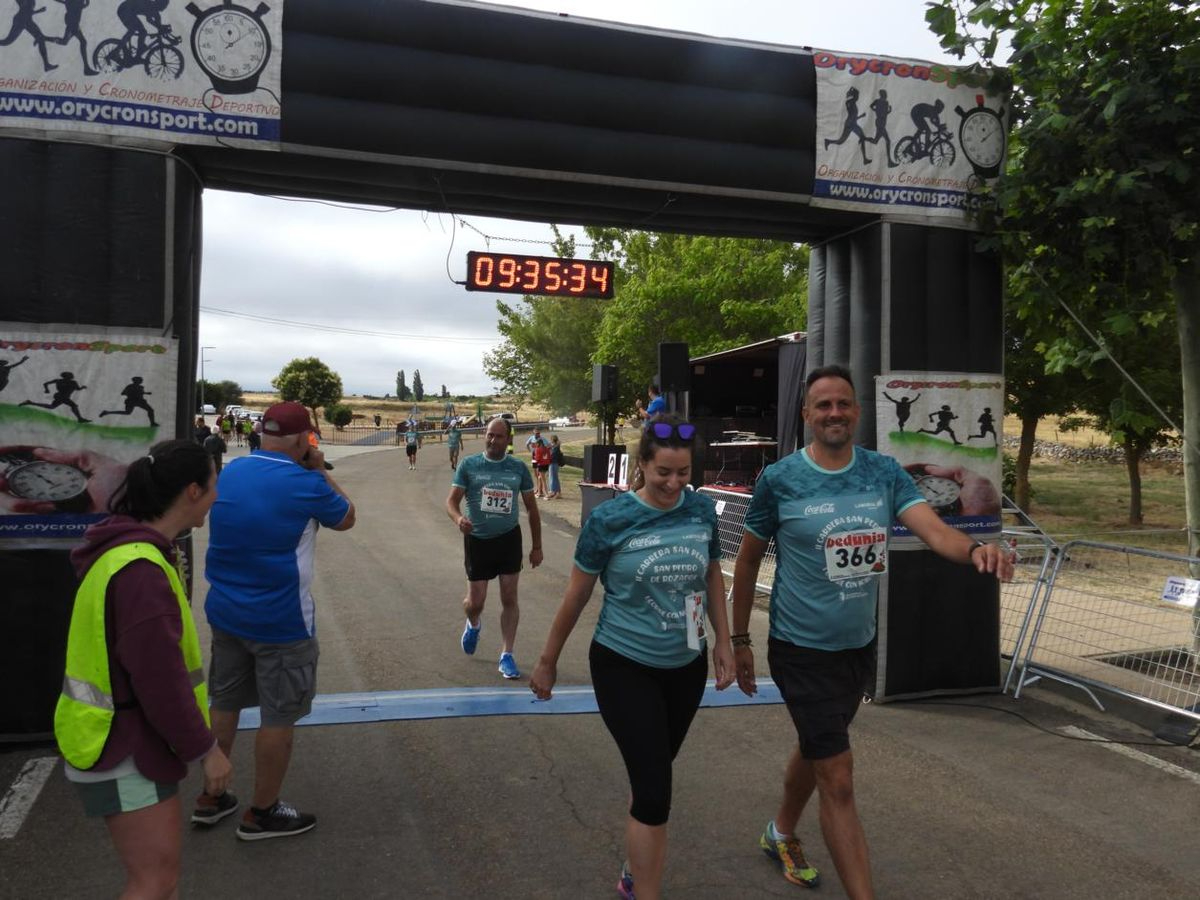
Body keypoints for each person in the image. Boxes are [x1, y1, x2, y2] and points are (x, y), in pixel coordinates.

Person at [729, 365, 1013, 898]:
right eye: (823, 405)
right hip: (799, 647)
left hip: (858, 644)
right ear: (807, 414)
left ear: (858, 412)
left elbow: (935, 532)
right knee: (837, 777)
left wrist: (977, 550)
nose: (834, 412)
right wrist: (739, 640)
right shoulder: (781, 479)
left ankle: (780, 831)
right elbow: (746, 563)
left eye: (843, 403)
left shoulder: (883, 472)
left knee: (819, 745)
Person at [531, 416, 735, 900]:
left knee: (652, 776)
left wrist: (725, 641)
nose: (674, 483)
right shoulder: (610, 519)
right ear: (641, 464)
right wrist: (548, 659)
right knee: (655, 791)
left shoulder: (700, 510)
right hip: (623, 664)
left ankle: (633, 869)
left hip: (685, 665)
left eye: (683, 472)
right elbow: (577, 593)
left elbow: (711, 574)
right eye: (663, 472)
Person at [54, 439, 233, 899]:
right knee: (153, 882)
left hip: (120, 740)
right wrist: (206, 749)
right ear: (193, 491)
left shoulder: (127, 550)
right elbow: (161, 682)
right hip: (123, 748)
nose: (217, 496)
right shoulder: (141, 571)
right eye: (214, 484)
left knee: (159, 882)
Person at [203, 401, 355, 841]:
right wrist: (320, 469)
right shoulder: (305, 482)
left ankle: (211, 797)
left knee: (224, 702)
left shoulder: (231, 471)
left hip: (226, 612)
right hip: (281, 621)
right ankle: (262, 812)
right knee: (278, 716)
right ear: (302, 438)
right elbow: (347, 517)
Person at [445, 417, 542, 679]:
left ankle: (506, 654)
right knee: (475, 603)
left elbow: (532, 509)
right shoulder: (469, 465)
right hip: (477, 540)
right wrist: (459, 519)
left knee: (509, 598)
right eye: (489, 434)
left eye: (499, 436)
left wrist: (537, 546)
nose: (492, 440)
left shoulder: (518, 468)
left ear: (508, 439)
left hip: (508, 539)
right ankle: (473, 623)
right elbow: (451, 502)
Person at [546, 434, 563, 499]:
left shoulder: (555, 447)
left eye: (551, 440)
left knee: (553, 478)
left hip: (553, 463)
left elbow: (552, 456)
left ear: (552, 440)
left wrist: (549, 449)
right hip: (553, 464)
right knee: (553, 478)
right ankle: (556, 492)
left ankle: (554, 492)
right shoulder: (554, 446)